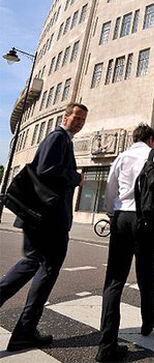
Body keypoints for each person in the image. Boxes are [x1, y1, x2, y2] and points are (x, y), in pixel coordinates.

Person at [0, 103, 88, 352]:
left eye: (83, 119)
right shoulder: (57, 137)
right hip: (48, 220)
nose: (80, 122)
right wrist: (75, 178)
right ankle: (25, 331)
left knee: (32, 263)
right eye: (77, 117)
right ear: (66, 116)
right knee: (45, 268)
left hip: (43, 219)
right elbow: (46, 170)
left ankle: (25, 331)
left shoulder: (63, 139)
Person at [97, 123, 154, 362]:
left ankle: (106, 345)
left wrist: (111, 213)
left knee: (114, 280)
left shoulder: (121, 157)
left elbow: (110, 189)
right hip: (145, 220)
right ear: (151, 139)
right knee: (146, 274)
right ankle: (148, 319)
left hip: (121, 218)